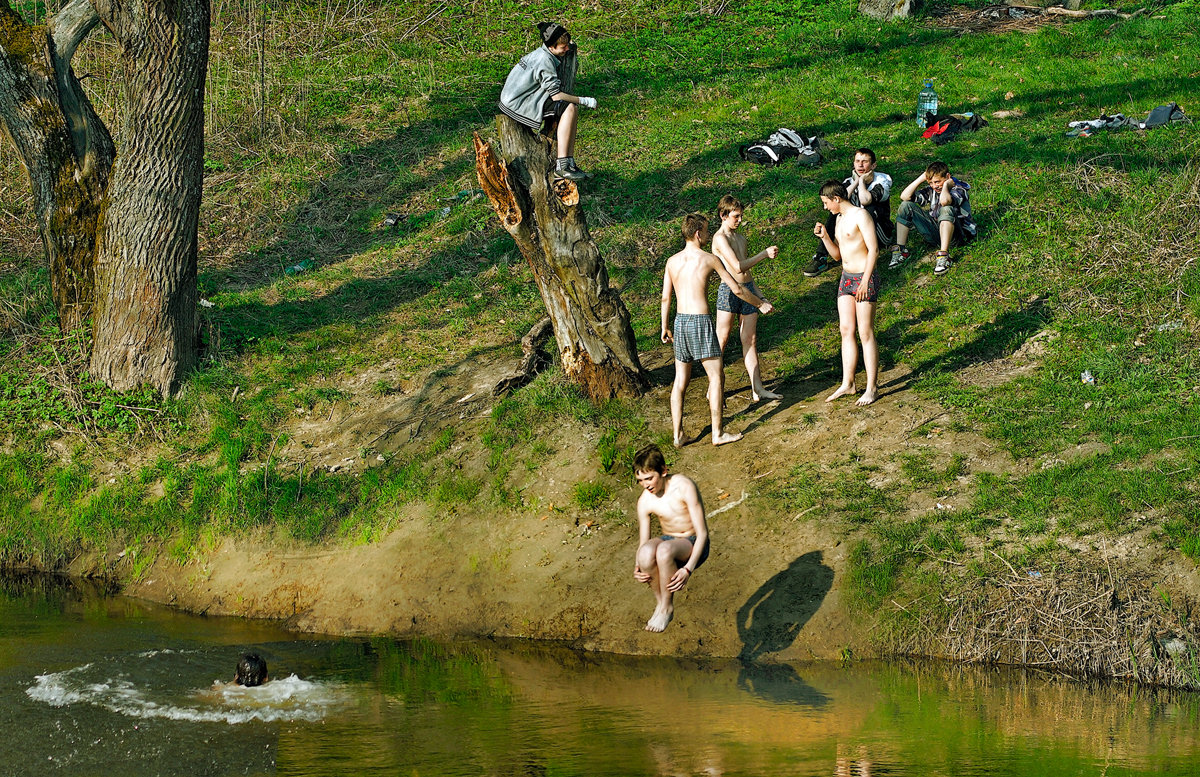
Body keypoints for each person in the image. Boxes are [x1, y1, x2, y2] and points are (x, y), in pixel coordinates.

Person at [661, 213, 773, 447]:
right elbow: (737, 289)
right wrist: (760, 304)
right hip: (700, 321)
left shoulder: (671, 261)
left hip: (680, 322)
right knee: (715, 375)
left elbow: (665, 298)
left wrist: (664, 326)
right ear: (698, 234)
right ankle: (717, 433)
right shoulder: (710, 259)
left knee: (680, 379)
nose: (709, 234)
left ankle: (677, 435)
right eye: (706, 230)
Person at [498, 21, 598, 181]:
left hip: (517, 98)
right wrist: (584, 100)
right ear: (551, 47)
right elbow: (556, 95)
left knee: (572, 109)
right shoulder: (544, 60)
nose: (567, 49)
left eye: (567, 44)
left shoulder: (543, 53)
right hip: (518, 104)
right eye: (563, 47)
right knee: (570, 108)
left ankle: (569, 163)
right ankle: (562, 167)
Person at [814, 180, 880, 406]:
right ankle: (848, 383)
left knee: (865, 332)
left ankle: (872, 387)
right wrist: (825, 237)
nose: (825, 208)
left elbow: (874, 250)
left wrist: (865, 280)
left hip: (863, 277)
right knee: (845, 330)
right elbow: (837, 257)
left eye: (825, 203)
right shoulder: (839, 220)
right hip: (846, 278)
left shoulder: (861, 216)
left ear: (836, 199)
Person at [631, 444, 710, 633]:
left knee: (664, 551)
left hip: (693, 542)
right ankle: (660, 604)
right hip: (669, 539)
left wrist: (688, 570)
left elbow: (703, 534)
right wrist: (637, 566)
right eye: (640, 480)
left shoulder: (683, 486)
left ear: (664, 471)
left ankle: (667, 607)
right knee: (647, 552)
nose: (646, 485)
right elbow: (643, 542)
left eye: (649, 478)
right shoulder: (644, 501)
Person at [711, 195, 782, 403]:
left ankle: (757, 388)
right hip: (729, 290)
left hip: (747, 290)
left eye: (741, 216)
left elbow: (747, 276)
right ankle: (714, 388)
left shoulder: (740, 238)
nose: (740, 220)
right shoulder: (719, 239)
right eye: (736, 216)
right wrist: (764, 254)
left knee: (750, 340)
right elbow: (738, 267)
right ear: (723, 215)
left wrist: (759, 295)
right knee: (721, 341)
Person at [803, 148, 894, 278]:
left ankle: (868, 257)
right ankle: (820, 256)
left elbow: (866, 200)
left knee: (867, 210)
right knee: (834, 211)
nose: (860, 165)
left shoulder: (882, 181)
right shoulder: (848, 182)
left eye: (865, 161)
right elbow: (839, 200)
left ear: (873, 165)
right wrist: (856, 181)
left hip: (880, 233)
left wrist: (861, 181)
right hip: (856, 234)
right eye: (857, 161)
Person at [889, 160, 977, 275]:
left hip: (959, 235)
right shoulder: (931, 190)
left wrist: (946, 185)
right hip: (937, 233)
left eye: (938, 182)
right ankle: (900, 251)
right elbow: (904, 196)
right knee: (906, 206)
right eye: (931, 183)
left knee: (946, 209)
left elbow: (945, 201)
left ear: (947, 177)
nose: (934, 186)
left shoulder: (959, 188)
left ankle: (944, 256)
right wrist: (921, 179)